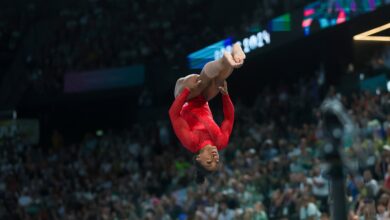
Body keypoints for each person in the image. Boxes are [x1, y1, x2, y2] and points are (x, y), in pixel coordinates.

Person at [169, 43, 245, 183]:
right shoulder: (220, 142)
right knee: (219, 82)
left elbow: (173, 114)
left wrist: (185, 92)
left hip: (184, 96)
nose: (214, 159)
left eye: (209, 162)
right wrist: (225, 96)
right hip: (203, 100)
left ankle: (224, 60)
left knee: (199, 82)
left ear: (198, 158)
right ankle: (230, 57)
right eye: (216, 162)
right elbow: (229, 119)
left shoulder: (191, 142)